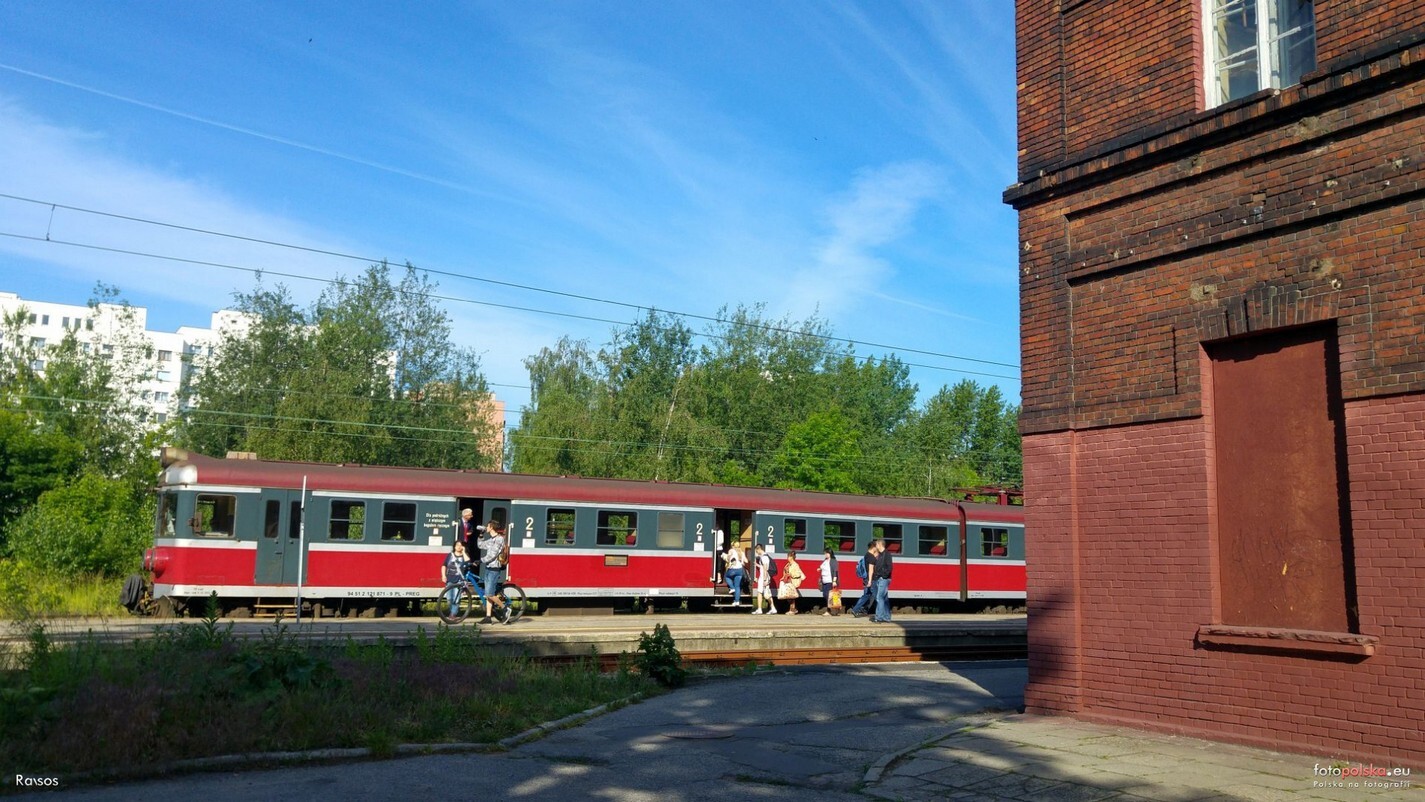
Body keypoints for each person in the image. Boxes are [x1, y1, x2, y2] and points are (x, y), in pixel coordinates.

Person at [477, 521, 511, 624]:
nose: (486, 527)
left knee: (489, 594)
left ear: (491, 527)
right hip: (488, 568)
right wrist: (481, 534)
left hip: (494, 569)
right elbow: (480, 545)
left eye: (487, 526)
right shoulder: (491, 540)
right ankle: (488, 617)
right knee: (488, 595)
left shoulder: (499, 539)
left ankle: (505, 608)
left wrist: (481, 560)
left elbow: (493, 554)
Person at [441, 540, 470, 618]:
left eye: (461, 545)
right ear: (454, 546)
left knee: (456, 599)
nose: (459, 547)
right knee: (449, 599)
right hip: (449, 579)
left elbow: (468, 562)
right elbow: (444, 565)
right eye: (457, 545)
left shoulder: (464, 556)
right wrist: (443, 576)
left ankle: (453, 614)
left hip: (459, 580)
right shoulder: (450, 555)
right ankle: (452, 612)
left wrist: (464, 552)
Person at [849, 543, 878, 618]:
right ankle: (880, 614)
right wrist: (870, 581)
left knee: (866, 595)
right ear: (873, 547)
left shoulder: (866, 555)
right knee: (876, 596)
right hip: (871, 579)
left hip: (865, 578)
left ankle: (856, 609)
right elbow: (871, 570)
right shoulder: (872, 557)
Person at [869, 538, 894, 623]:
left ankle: (878, 617)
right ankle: (887, 617)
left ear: (880, 544)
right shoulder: (880, 555)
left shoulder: (887, 554)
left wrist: (883, 576)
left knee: (879, 597)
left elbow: (889, 567)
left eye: (876, 544)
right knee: (885, 599)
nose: (875, 546)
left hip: (883, 579)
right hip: (879, 578)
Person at [751, 544, 777, 614]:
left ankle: (759, 609)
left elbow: (765, 568)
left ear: (758, 549)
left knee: (760, 592)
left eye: (756, 551)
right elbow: (764, 567)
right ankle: (773, 608)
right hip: (764, 576)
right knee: (767, 593)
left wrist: (765, 580)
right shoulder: (765, 556)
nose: (756, 552)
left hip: (763, 577)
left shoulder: (764, 557)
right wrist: (758, 565)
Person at [723, 539, 747, 606]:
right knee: (738, 586)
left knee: (727, 577)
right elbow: (746, 561)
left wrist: (725, 556)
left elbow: (728, 558)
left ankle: (732, 588)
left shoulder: (731, 550)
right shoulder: (741, 552)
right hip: (740, 570)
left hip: (732, 569)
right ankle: (737, 601)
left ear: (733, 546)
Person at [818, 548, 838, 616]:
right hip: (824, 581)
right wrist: (819, 569)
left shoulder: (833, 561)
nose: (825, 554)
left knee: (828, 595)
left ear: (829, 553)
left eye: (826, 553)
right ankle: (831, 610)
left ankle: (830, 610)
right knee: (825, 595)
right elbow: (822, 567)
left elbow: (835, 571)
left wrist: (834, 581)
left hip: (830, 581)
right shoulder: (825, 561)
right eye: (825, 553)